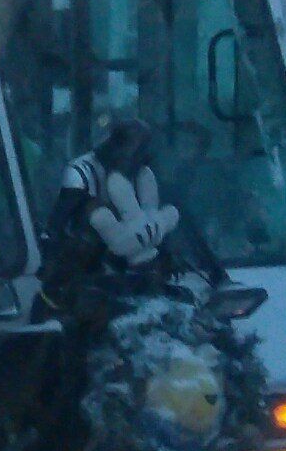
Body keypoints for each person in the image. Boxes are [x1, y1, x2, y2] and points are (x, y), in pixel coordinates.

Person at [37, 118, 180, 319]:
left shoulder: (142, 175)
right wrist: (53, 261)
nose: (137, 157)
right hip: (83, 276)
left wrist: (165, 253)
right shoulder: (82, 172)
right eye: (134, 149)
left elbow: (153, 222)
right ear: (115, 145)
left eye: (142, 150)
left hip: (132, 274)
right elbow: (56, 226)